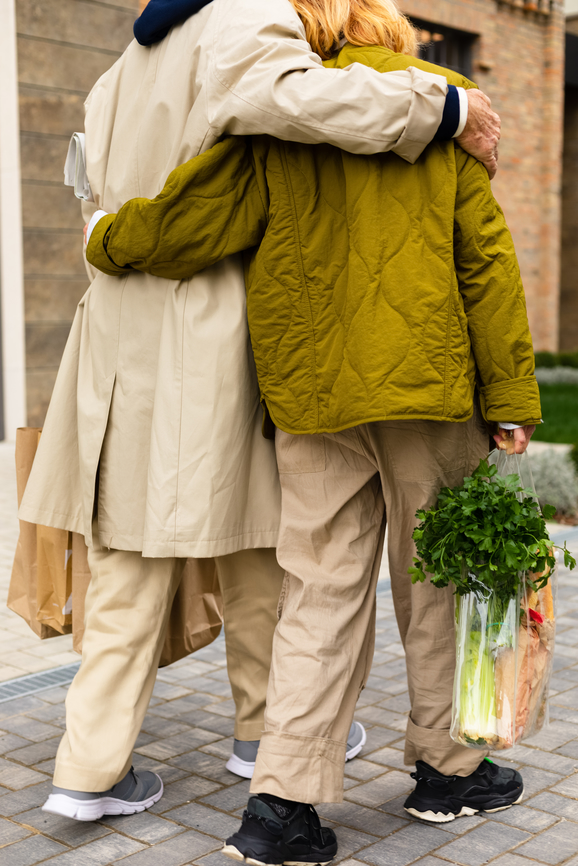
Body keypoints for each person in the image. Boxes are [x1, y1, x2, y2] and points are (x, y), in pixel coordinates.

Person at [20, 0, 500, 823]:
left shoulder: (119, 68)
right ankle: (278, 743)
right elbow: (286, 106)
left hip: (129, 333)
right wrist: (446, 105)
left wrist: (103, 236)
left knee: (189, 554)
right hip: (211, 329)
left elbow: (117, 198)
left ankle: (156, 765)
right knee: (270, 545)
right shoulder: (245, 21)